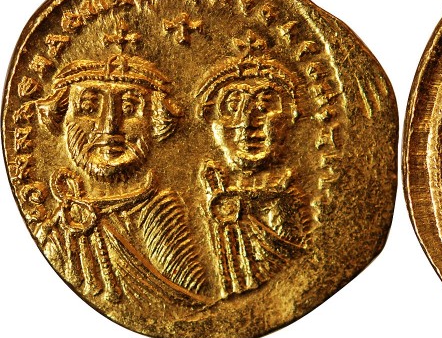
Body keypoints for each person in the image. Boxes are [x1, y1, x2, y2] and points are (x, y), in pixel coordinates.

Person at [36, 54, 207, 307]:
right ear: (60, 117)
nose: (109, 126)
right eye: (89, 108)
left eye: (129, 108)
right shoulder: (59, 232)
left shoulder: (169, 214)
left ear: (156, 121)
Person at [196, 39, 310, 298]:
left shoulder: (291, 193)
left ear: (290, 118)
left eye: (264, 107)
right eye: (232, 107)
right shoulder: (210, 185)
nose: (249, 122)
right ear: (212, 122)